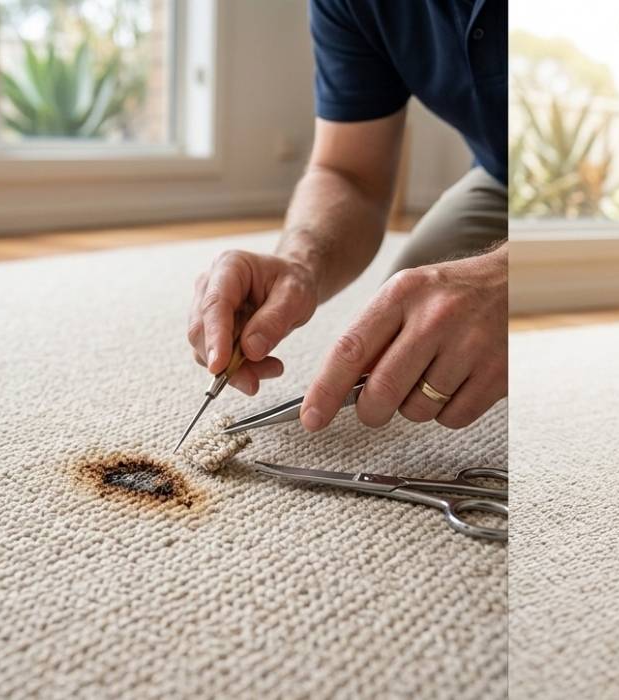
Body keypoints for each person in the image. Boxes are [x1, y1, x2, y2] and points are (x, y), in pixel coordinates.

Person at [186, 1, 508, 432]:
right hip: (505, 177)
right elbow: (349, 173)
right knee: (411, 323)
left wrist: (505, 281)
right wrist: (299, 264)